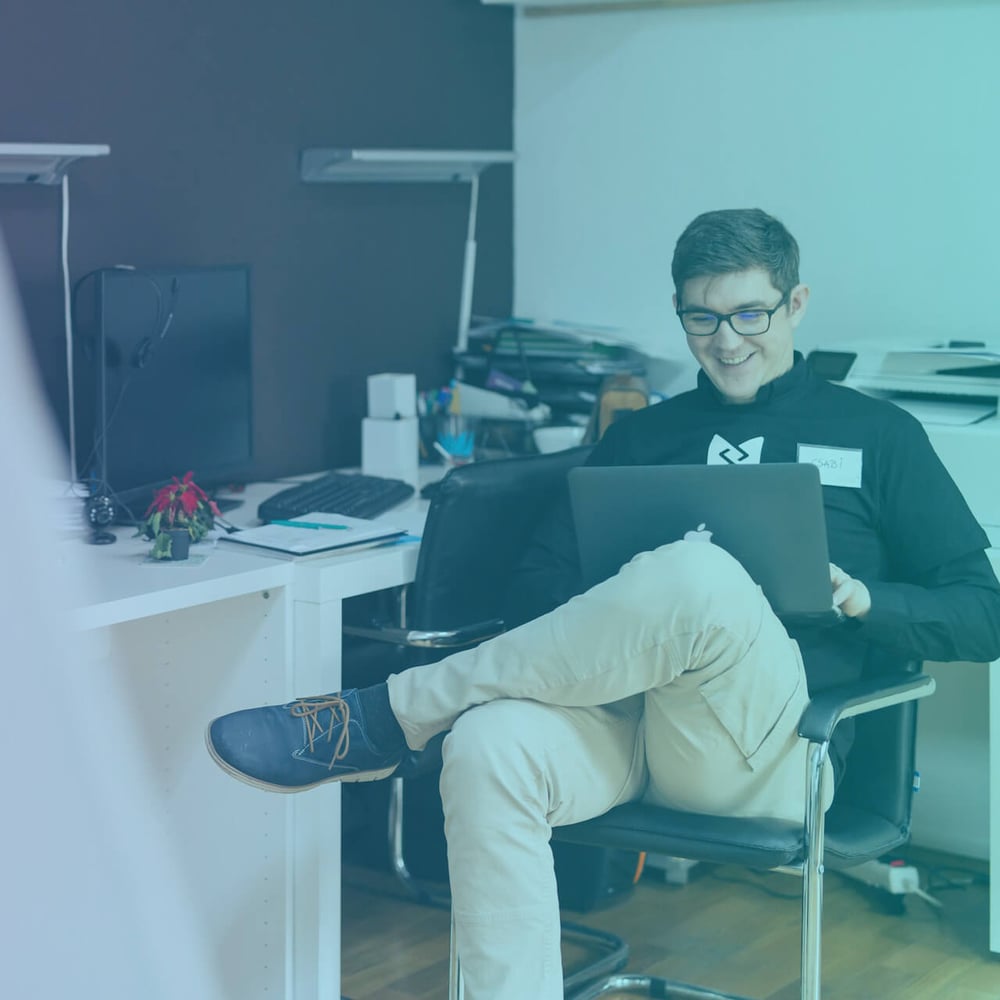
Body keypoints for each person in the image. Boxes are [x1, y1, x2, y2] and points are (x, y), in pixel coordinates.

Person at [207, 208, 1000, 1000]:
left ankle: (388, 715)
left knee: (700, 574)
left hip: (773, 749)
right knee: (488, 743)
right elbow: (537, 590)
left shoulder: (880, 435)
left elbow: (983, 614)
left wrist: (866, 601)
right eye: (703, 317)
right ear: (682, 314)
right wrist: (626, 602)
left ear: (794, 305)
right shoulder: (641, 437)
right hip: (620, 723)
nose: (727, 341)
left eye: (750, 313)